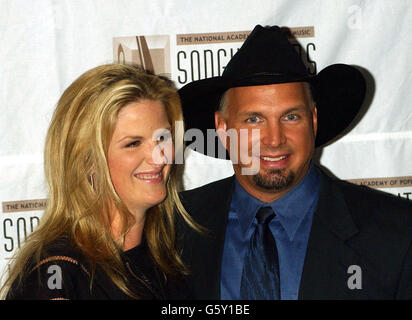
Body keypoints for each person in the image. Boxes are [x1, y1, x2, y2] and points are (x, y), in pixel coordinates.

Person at [174, 25, 412, 299]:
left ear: (313, 120)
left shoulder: (398, 234)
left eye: (291, 117)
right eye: (254, 119)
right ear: (222, 128)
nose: (274, 140)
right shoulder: (172, 229)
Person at [1, 63, 198, 300]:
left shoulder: (173, 256)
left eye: (163, 137)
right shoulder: (58, 274)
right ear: (87, 161)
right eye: (133, 143)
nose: (160, 156)